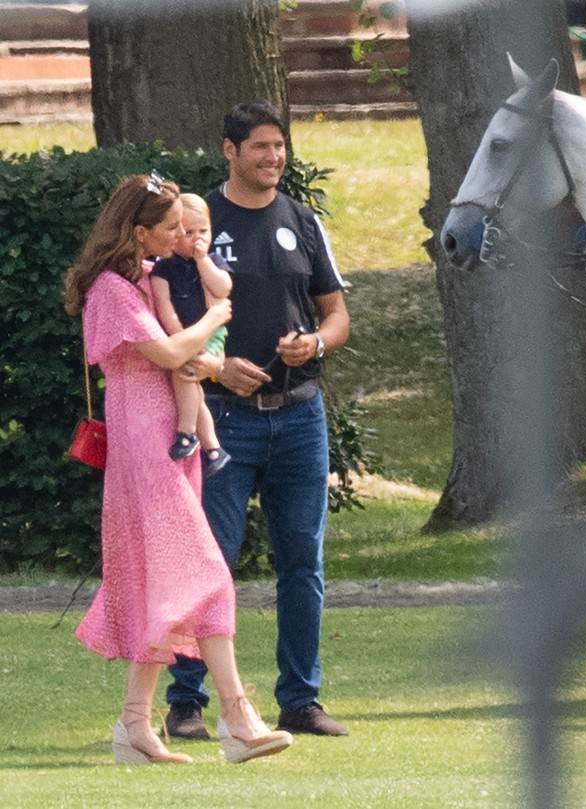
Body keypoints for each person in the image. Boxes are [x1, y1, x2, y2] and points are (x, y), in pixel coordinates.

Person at [64, 173, 293, 764]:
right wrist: (218, 319)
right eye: (170, 227)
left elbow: (179, 355)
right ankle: (237, 718)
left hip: (168, 434)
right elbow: (168, 353)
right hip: (146, 444)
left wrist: (211, 351)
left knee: (163, 582)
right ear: (138, 231)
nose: (181, 235)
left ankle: (135, 727)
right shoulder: (113, 289)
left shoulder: (143, 278)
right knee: (206, 573)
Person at [165, 100, 351, 738]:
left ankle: (300, 700)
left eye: (280, 147)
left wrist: (316, 345)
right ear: (229, 150)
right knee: (209, 558)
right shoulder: (194, 223)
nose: (273, 158)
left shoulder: (302, 219)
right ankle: (186, 703)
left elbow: (337, 316)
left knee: (303, 559)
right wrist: (220, 368)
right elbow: (164, 323)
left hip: (301, 418)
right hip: (221, 418)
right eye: (261, 148)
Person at [151, 193, 233, 474]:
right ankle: (212, 448)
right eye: (188, 232)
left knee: (184, 377)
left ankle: (188, 433)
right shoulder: (163, 268)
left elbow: (223, 289)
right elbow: (165, 307)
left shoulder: (213, 261)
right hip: (185, 338)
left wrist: (202, 261)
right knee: (190, 385)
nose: (197, 238)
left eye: (204, 231)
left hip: (212, 337)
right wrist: (181, 339)